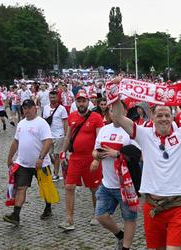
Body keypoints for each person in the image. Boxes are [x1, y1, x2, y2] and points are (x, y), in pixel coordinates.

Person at [111, 76, 181, 249]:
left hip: (178, 205)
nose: (163, 119)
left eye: (167, 115)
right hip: (152, 205)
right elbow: (117, 115)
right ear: (152, 116)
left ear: (173, 116)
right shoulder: (143, 134)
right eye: (159, 115)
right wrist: (115, 89)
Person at [92, 103, 138, 250]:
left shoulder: (131, 130)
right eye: (111, 111)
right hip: (107, 183)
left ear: (124, 111)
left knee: (129, 218)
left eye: (117, 110)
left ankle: (125, 247)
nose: (114, 113)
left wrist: (117, 154)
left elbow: (138, 155)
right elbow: (95, 150)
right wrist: (97, 156)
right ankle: (120, 235)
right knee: (100, 216)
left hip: (125, 185)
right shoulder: (105, 129)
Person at [3, 99, 53, 225]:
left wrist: (41, 158)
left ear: (35, 108)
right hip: (23, 164)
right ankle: (16, 215)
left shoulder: (42, 123)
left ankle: (48, 207)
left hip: (41, 164)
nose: (27, 110)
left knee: (45, 188)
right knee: (21, 188)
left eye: (29, 108)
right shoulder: (21, 124)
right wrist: (10, 157)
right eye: (25, 108)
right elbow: (16, 142)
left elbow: (48, 141)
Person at [59, 91, 103, 231]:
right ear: (75, 102)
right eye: (79, 101)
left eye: (84, 101)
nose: (81, 104)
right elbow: (67, 137)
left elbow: (99, 140)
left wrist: (97, 158)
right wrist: (62, 152)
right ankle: (69, 219)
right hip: (75, 158)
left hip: (91, 158)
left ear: (88, 102)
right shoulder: (72, 116)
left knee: (94, 188)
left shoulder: (96, 117)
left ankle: (97, 214)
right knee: (69, 186)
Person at [43, 90, 68, 181]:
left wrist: (66, 134)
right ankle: (58, 165)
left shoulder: (62, 109)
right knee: (48, 154)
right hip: (48, 135)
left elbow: (65, 122)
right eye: (51, 97)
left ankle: (56, 174)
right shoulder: (45, 108)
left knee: (57, 155)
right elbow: (43, 121)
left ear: (57, 98)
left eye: (54, 97)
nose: (52, 99)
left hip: (59, 135)